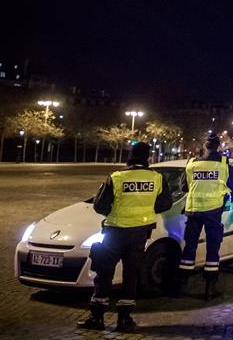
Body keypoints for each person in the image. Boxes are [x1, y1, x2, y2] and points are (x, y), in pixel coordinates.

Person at [77, 141, 172, 332]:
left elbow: (99, 205)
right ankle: (125, 319)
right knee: (131, 274)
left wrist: (116, 212)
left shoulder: (117, 177)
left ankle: (97, 317)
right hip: (139, 233)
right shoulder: (157, 178)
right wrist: (146, 211)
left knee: (104, 272)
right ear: (148, 157)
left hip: (114, 231)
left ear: (131, 155)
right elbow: (165, 203)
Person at [177, 132, 233, 299]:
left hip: (193, 211)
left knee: (189, 247)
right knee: (212, 248)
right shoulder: (223, 163)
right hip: (213, 210)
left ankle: (182, 286)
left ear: (204, 146)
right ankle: (209, 289)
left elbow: (183, 187)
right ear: (219, 146)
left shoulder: (192, 163)